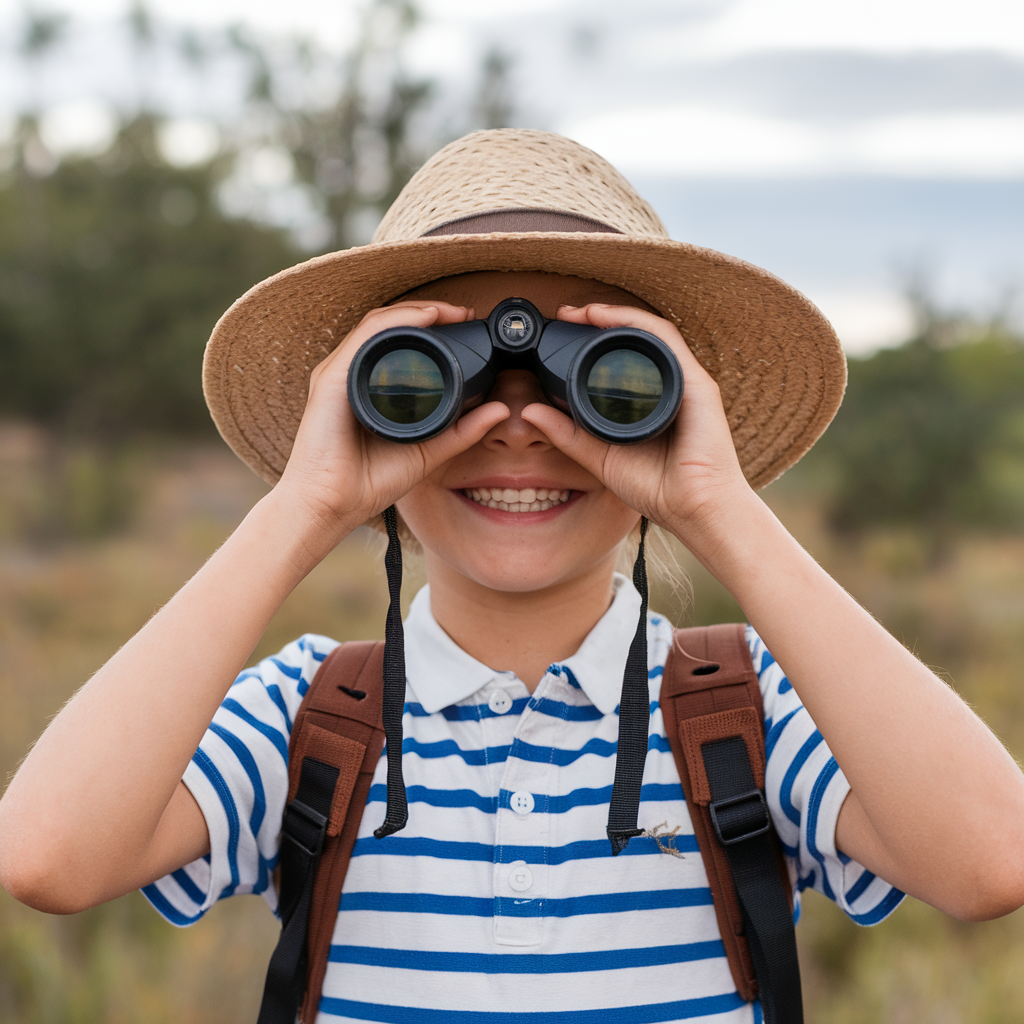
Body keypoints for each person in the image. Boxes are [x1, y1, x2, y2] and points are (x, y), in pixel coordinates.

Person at [2, 129, 1023, 1024]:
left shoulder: (746, 713)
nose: (520, 428)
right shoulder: (309, 720)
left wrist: (719, 502)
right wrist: (303, 503)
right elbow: (46, 854)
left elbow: (989, 860)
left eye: (607, 379)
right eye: (431, 377)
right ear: (359, 411)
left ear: (676, 410)